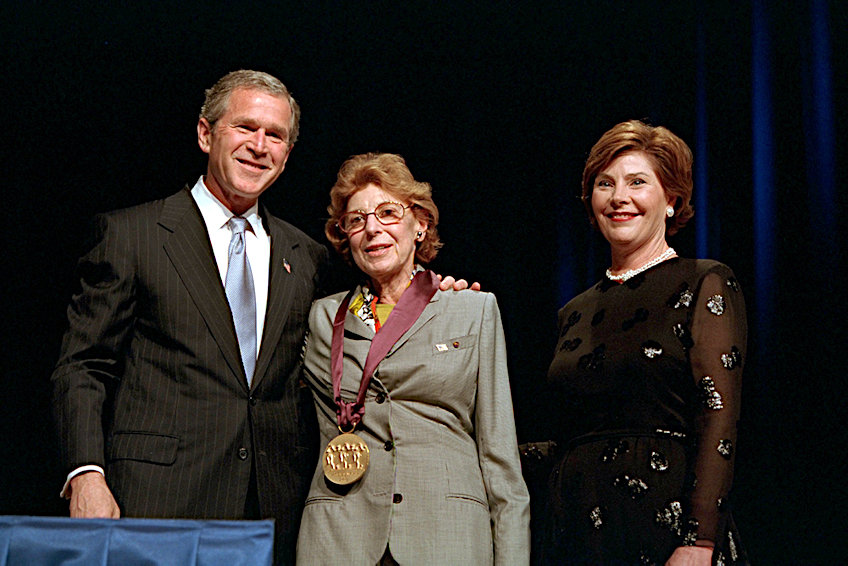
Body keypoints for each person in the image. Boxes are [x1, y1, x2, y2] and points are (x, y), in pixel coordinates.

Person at [50, 70, 467, 565]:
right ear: (206, 134)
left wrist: (432, 294)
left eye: (275, 135)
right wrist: (86, 473)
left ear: (287, 154)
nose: (259, 146)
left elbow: (370, 322)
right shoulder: (133, 235)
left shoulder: (307, 256)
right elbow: (84, 366)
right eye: (245, 127)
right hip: (157, 502)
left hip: (275, 509)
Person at [296, 153, 530, 565]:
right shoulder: (321, 318)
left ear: (420, 223)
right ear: (345, 236)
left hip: (446, 536)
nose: (372, 229)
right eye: (356, 220)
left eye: (388, 212)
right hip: (339, 539)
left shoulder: (471, 309)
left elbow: (500, 459)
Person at [540, 120, 748, 565]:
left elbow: (718, 417)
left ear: (671, 199)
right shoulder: (573, 311)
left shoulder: (704, 281)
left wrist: (699, 541)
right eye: (605, 183)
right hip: (576, 532)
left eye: (637, 182)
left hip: (665, 529)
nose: (619, 197)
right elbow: (565, 439)